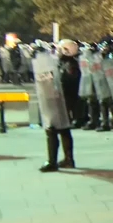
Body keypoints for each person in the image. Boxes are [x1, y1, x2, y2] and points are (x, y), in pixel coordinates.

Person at [40, 40, 80, 172]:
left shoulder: (69, 66)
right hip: (63, 102)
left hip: (63, 102)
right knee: (64, 130)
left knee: (52, 130)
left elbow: (66, 84)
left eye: (60, 49)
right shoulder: (65, 63)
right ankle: (68, 159)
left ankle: (52, 161)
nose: (57, 51)